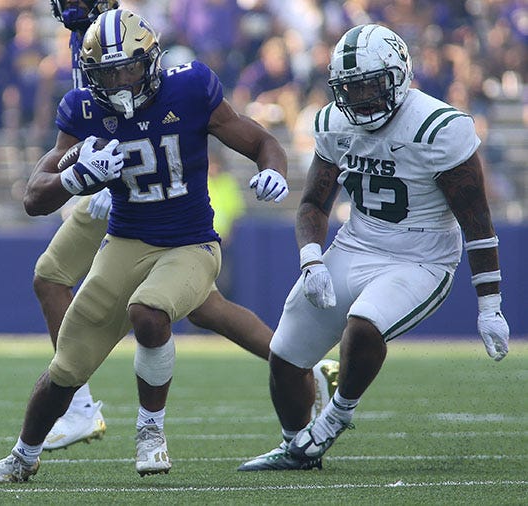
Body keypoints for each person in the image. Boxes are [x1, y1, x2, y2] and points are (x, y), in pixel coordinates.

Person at [0, 9, 290, 483]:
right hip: (125, 239)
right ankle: (23, 455)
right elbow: (33, 197)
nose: (121, 80)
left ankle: (150, 431)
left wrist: (274, 170)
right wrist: (77, 176)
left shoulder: (188, 89)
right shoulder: (84, 108)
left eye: (129, 67)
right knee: (67, 365)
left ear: (152, 60)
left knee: (149, 310)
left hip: (191, 243)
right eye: (108, 72)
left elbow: (262, 141)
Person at [35, 0, 338, 454]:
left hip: (132, 193)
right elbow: (51, 170)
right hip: (110, 185)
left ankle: (79, 405)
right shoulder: (90, 43)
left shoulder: (140, 51)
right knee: (202, 306)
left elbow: (251, 136)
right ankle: (300, 364)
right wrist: (79, 173)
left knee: (55, 278)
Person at [237, 24, 510, 472]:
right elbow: (313, 204)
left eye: (370, 84)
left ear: (399, 75)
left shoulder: (438, 127)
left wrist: (490, 304)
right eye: (351, 88)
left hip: (422, 256)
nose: (361, 98)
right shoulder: (332, 121)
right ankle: (296, 448)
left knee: (364, 325)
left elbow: (477, 222)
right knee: (285, 354)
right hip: (357, 243)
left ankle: (334, 419)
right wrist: (311, 261)